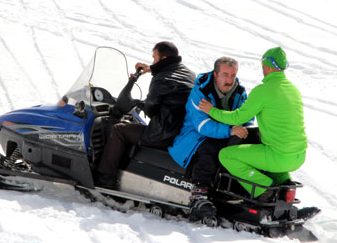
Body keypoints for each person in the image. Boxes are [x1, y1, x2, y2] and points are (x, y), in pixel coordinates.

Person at [199, 47, 307, 202]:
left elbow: (237, 118)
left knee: (226, 155)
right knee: (269, 150)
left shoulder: (263, 91)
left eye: (263, 64)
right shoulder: (293, 90)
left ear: (268, 66)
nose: (262, 68)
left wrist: (211, 111)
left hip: (278, 157)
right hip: (298, 156)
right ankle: (285, 186)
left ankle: (263, 190)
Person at [95, 41, 196, 189]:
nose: (153, 61)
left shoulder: (162, 80)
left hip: (163, 134)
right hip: (180, 130)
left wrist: (137, 103)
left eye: (154, 58)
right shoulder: (187, 72)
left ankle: (105, 178)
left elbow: (150, 110)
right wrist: (150, 69)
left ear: (163, 58)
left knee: (119, 130)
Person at [169, 57, 252, 194]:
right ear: (215, 74)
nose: (230, 81)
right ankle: (200, 194)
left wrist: (245, 133)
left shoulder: (240, 93)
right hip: (195, 135)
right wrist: (230, 130)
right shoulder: (201, 92)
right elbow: (202, 126)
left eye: (233, 75)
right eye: (225, 75)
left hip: (226, 132)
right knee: (211, 148)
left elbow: (247, 119)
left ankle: (246, 193)